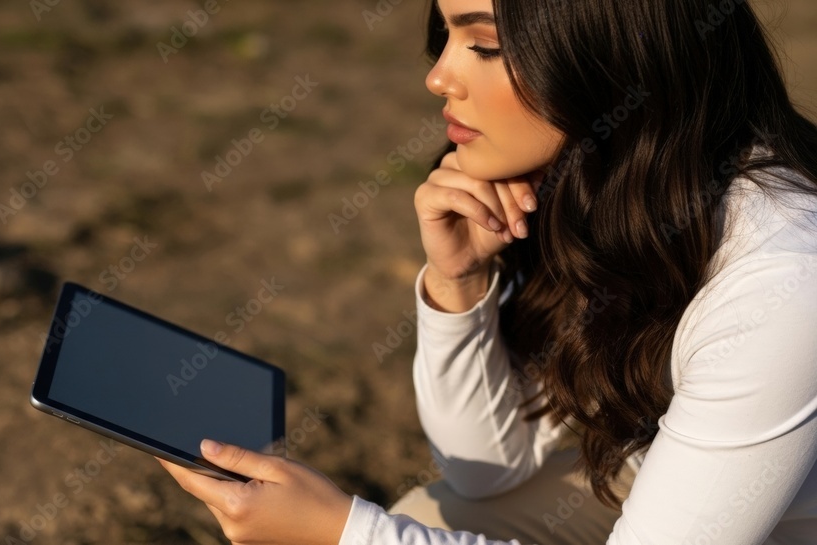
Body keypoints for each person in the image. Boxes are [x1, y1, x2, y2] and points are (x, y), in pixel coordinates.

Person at [158, 0, 817, 543]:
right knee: (434, 513)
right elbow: (487, 471)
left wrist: (344, 532)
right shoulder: (601, 186)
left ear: (607, 62)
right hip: (660, 487)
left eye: (484, 44)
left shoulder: (782, 282)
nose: (438, 76)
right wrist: (460, 286)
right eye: (444, 35)